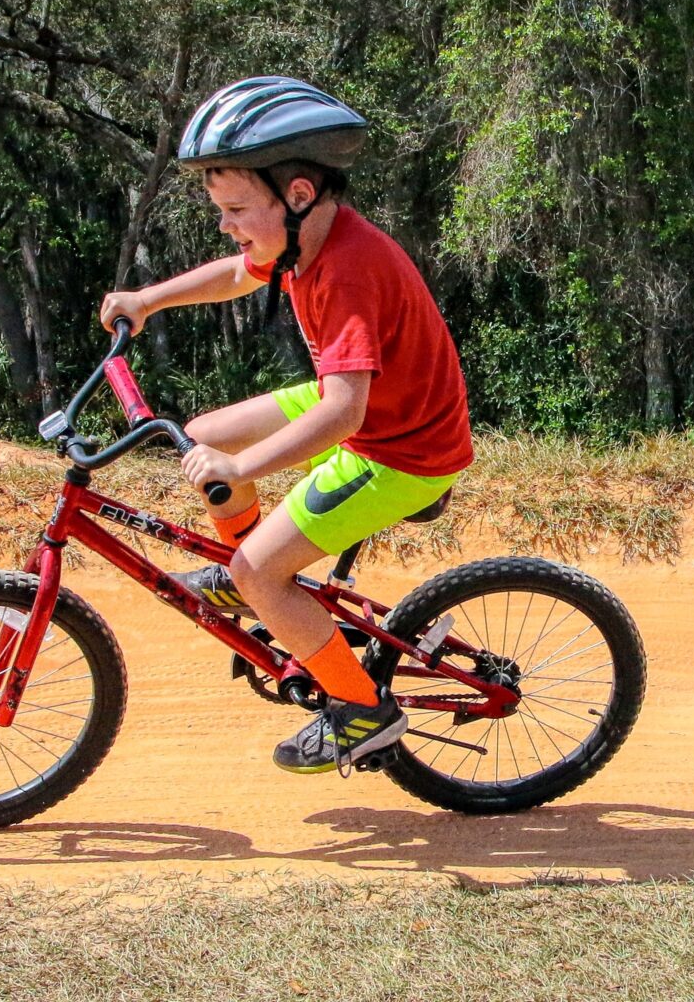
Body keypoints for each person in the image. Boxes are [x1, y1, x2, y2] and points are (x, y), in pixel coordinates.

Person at [96, 77, 474, 774]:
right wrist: (149, 299)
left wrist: (242, 472)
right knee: (205, 435)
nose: (226, 224)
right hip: (382, 410)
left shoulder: (349, 270)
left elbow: (343, 412)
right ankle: (256, 579)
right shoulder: (305, 242)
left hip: (402, 448)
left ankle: (361, 710)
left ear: (297, 194)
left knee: (258, 570)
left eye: (237, 208)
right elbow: (239, 273)